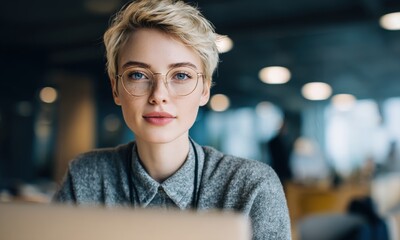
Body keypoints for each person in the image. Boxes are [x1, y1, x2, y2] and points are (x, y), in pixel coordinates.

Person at [53, 0, 291, 239]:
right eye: (138, 75)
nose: (159, 96)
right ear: (116, 89)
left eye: (181, 75)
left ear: (204, 91)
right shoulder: (85, 177)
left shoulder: (252, 187)